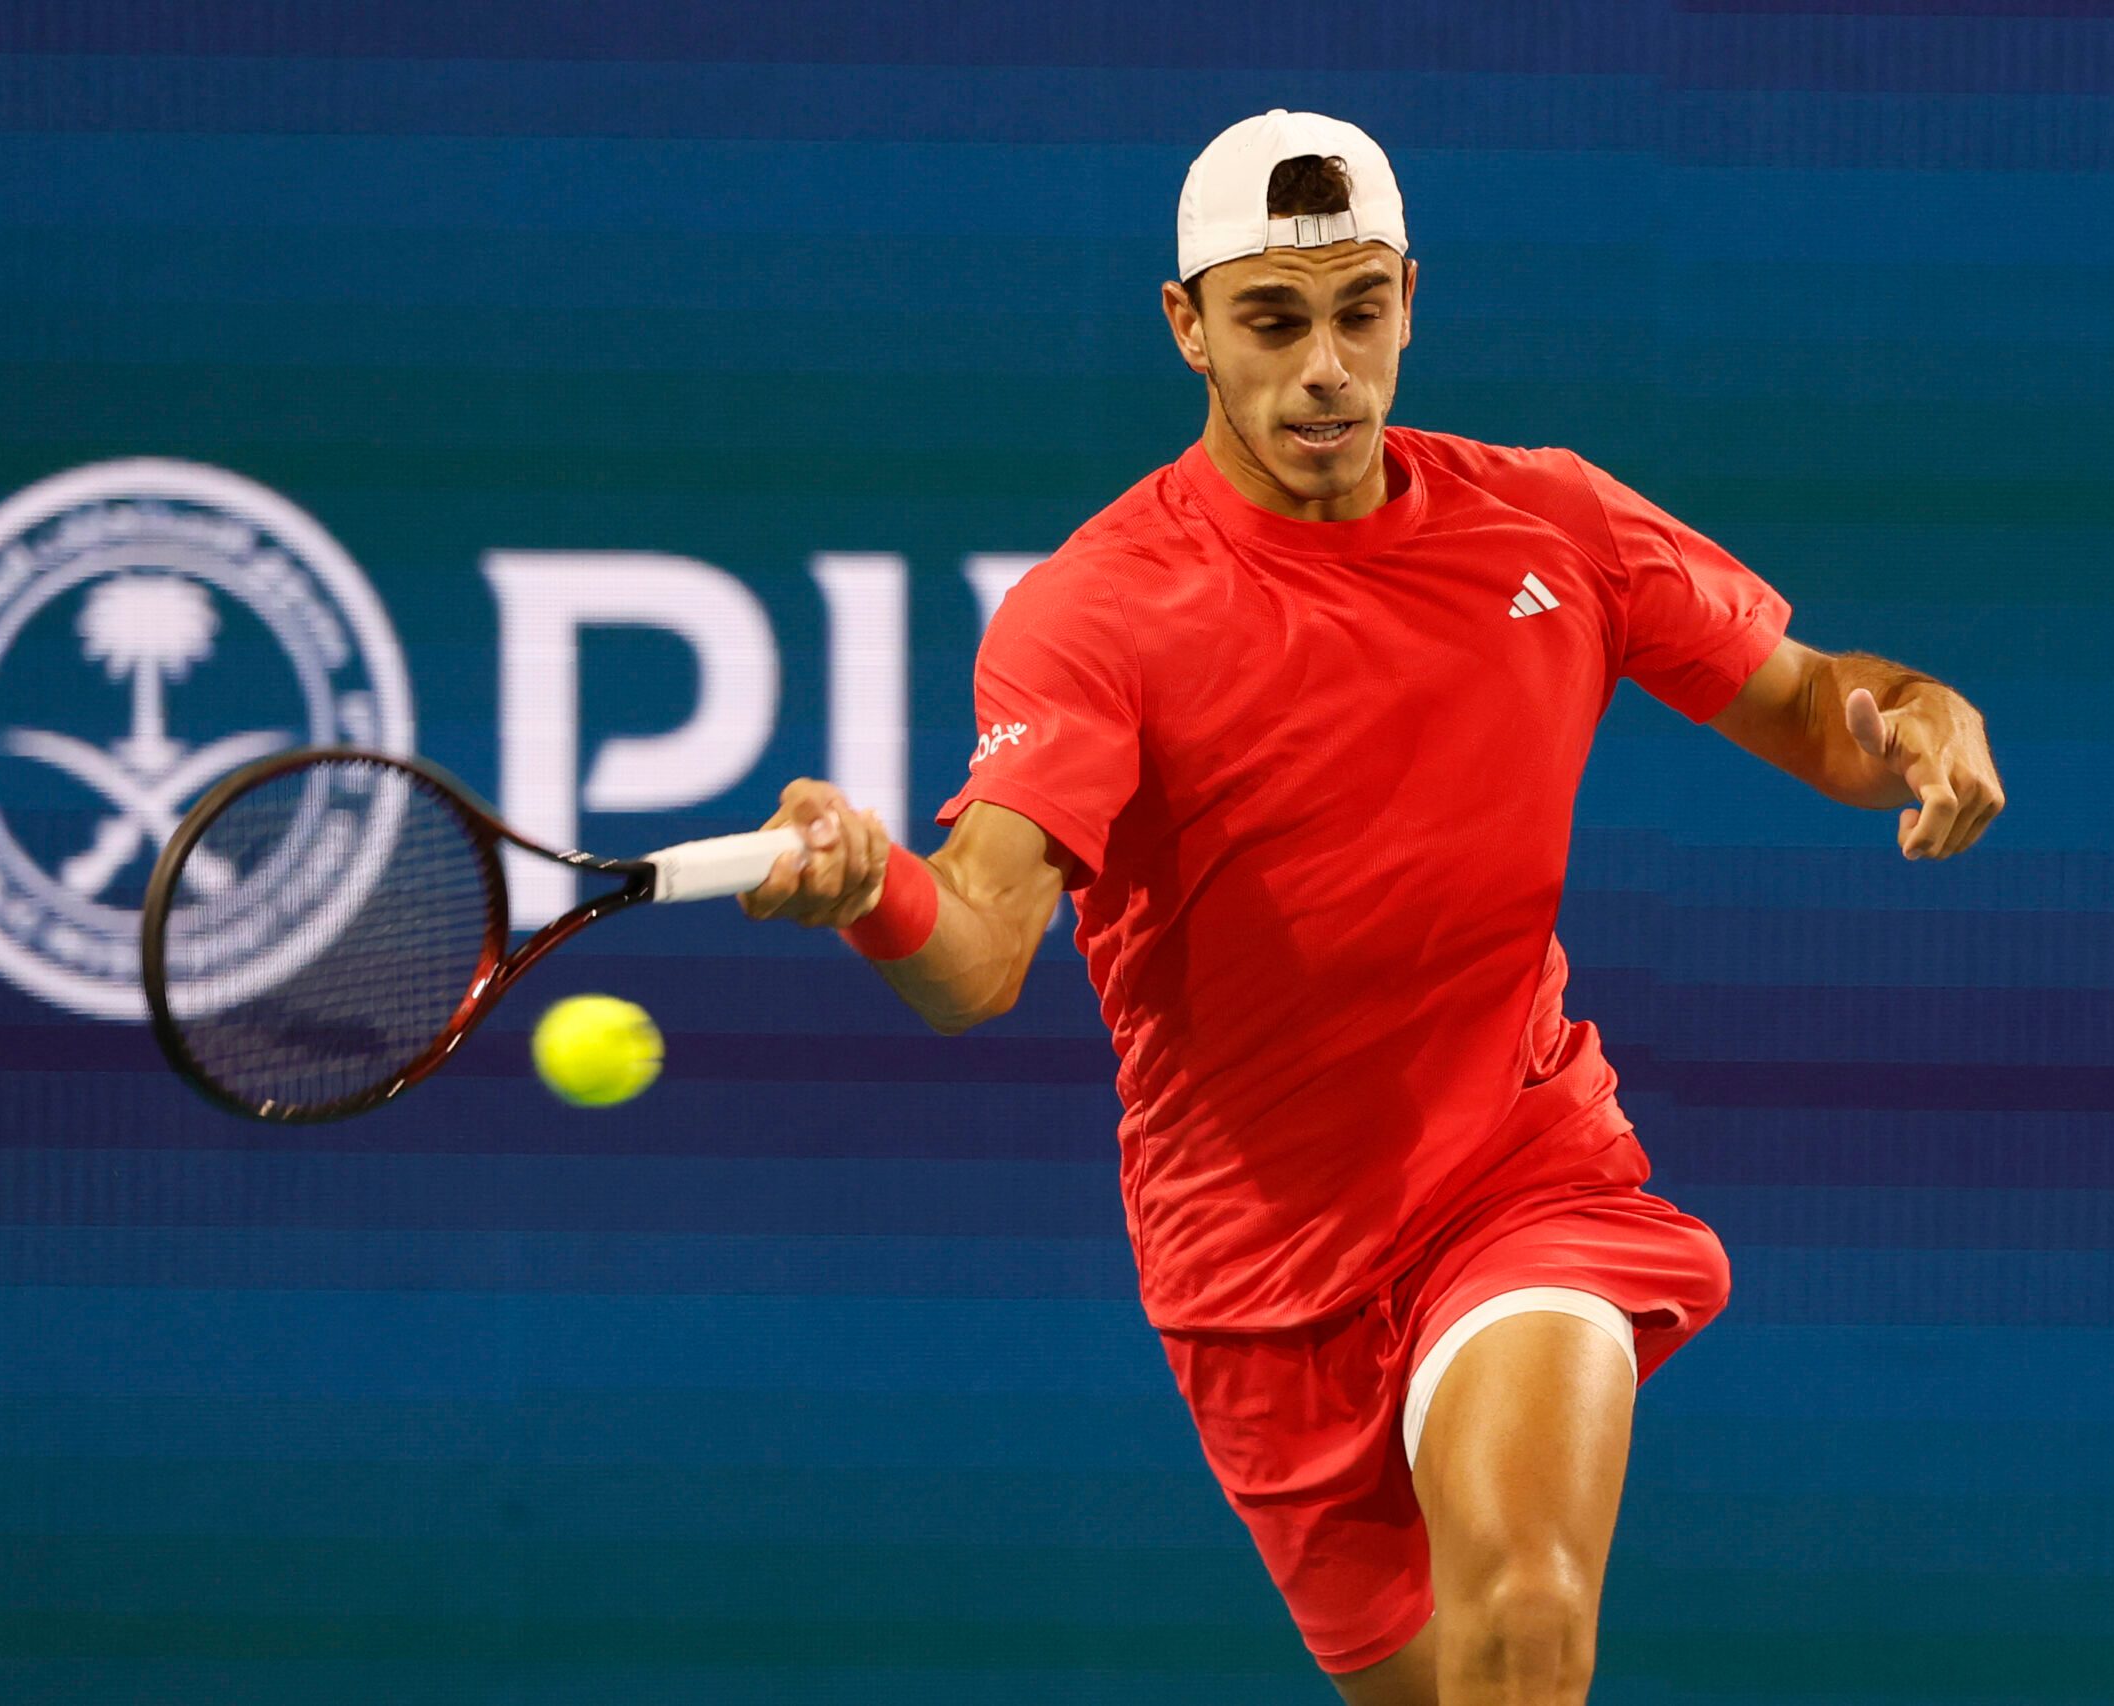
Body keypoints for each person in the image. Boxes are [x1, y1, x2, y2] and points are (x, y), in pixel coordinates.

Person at [742, 109, 2005, 1706]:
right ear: (1187, 326)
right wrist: (876, 896)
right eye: (1273, 322)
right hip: (1256, 1280)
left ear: (1411, 296)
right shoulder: (1096, 613)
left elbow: (1821, 703)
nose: (1326, 367)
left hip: (1515, 1170)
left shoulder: (1551, 524)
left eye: (1360, 312)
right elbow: (982, 951)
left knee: (1530, 1619)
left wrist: (1920, 715)